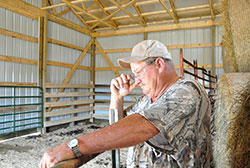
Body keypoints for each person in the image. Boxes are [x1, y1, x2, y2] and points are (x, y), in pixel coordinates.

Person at [40, 40, 212, 168]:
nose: (136, 80)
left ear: (159, 64)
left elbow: (142, 126)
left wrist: (73, 146)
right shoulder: (147, 101)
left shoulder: (188, 90)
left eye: (138, 72)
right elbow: (118, 131)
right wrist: (117, 98)